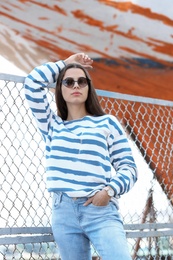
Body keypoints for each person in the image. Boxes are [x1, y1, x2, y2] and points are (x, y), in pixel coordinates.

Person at [24, 53, 138, 260]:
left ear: (88, 87)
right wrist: (65, 64)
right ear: (60, 88)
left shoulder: (107, 123)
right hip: (63, 212)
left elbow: (129, 168)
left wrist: (109, 191)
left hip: (100, 211)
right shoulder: (52, 126)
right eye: (68, 82)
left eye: (81, 81)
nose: (76, 85)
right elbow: (32, 82)